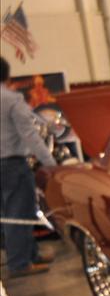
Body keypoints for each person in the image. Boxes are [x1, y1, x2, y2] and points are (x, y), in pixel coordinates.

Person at [1, 57, 55, 277]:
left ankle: (30, 254)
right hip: (12, 164)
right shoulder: (12, 100)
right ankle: (19, 263)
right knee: (20, 213)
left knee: (7, 214)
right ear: (8, 76)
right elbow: (30, 135)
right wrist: (51, 164)